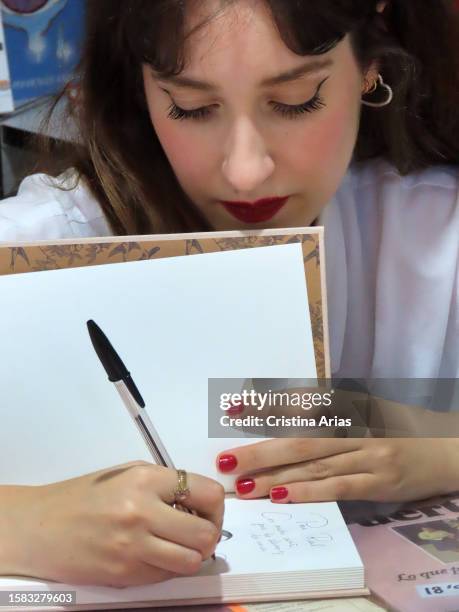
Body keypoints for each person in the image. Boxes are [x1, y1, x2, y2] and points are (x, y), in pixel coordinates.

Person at [0, 0, 458, 587]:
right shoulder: (46, 247)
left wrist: (437, 446)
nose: (245, 171)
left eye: (296, 101)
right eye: (191, 107)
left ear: (369, 65)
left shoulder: (431, 236)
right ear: (142, 86)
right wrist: (23, 525)